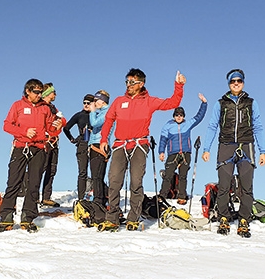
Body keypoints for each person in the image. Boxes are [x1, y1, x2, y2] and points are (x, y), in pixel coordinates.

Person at [98, 68, 185, 232]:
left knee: (136, 182)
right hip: (120, 145)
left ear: (141, 83)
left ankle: (133, 218)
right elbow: (109, 120)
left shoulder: (149, 101)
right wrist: (104, 139)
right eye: (127, 81)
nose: (128, 84)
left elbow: (172, 103)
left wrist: (178, 85)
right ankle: (112, 218)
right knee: (114, 180)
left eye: (132, 82)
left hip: (139, 144)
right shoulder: (118, 101)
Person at [201, 69, 265, 238]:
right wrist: (206, 148)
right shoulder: (220, 103)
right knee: (224, 185)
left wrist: (263, 151)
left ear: (243, 83)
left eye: (239, 81)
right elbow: (212, 126)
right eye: (233, 81)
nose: (236, 83)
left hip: (246, 145)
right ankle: (223, 217)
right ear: (229, 84)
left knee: (246, 186)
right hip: (226, 145)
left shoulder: (251, 103)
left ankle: (244, 219)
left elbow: (258, 126)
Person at [0, 79, 63, 233]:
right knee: (14, 182)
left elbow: (51, 129)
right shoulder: (17, 105)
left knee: (34, 184)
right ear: (28, 91)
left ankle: (28, 217)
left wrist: (57, 127)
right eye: (36, 92)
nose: (39, 95)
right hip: (21, 147)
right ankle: (6, 217)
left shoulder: (45, 108)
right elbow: (7, 125)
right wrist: (24, 132)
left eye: (40, 92)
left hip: (39, 148)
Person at [158, 93, 208, 204]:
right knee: (168, 175)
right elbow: (163, 140)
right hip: (173, 153)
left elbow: (199, 117)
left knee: (183, 176)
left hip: (186, 153)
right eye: (177, 115)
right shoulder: (168, 125)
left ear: (183, 116)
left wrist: (204, 103)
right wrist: (161, 152)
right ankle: (162, 195)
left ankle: (182, 196)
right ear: (174, 116)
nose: (179, 117)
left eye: (181, 115)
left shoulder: (188, 124)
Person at [36, 83, 66, 207]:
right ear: (47, 93)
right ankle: (33, 196)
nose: (55, 95)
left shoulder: (53, 108)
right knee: (39, 169)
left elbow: (63, 120)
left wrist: (60, 123)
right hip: (44, 142)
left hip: (54, 141)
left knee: (51, 170)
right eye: (54, 92)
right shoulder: (40, 107)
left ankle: (46, 197)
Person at [63, 94, 96, 200]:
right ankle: (81, 198)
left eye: (88, 103)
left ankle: (97, 196)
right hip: (82, 144)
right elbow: (66, 128)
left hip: (95, 144)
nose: (86, 105)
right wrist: (72, 139)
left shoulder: (97, 115)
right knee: (82, 172)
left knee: (96, 172)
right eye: (84, 103)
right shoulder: (79, 115)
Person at [88, 90, 111, 207]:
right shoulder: (101, 112)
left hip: (100, 145)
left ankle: (99, 201)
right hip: (95, 144)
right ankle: (100, 199)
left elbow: (95, 123)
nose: (94, 103)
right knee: (96, 176)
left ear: (103, 101)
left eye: (96, 100)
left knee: (97, 176)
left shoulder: (107, 112)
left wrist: (92, 111)